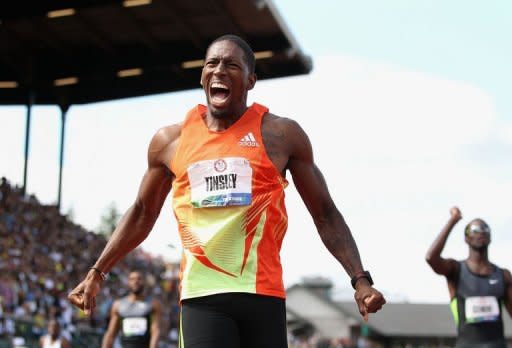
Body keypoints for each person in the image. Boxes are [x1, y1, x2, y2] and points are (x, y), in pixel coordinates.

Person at [68, 34, 385, 348]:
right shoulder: (170, 142)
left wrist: (360, 279)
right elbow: (141, 213)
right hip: (202, 296)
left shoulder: (281, 135)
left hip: (263, 293)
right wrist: (98, 272)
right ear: (203, 77)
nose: (219, 70)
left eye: (231, 65)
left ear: (250, 81)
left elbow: (325, 213)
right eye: (212, 63)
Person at [426, 206, 512, 348]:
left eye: (485, 229)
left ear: (490, 237)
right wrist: (453, 220)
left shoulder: (503, 275)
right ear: (466, 238)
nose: (481, 232)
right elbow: (431, 258)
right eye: (475, 230)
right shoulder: (455, 270)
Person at [101, 270, 161, 348]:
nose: (136, 281)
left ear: (144, 282)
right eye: (132, 279)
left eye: (139, 279)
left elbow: (155, 332)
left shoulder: (153, 304)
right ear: (128, 282)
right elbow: (111, 333)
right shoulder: (118, 305)